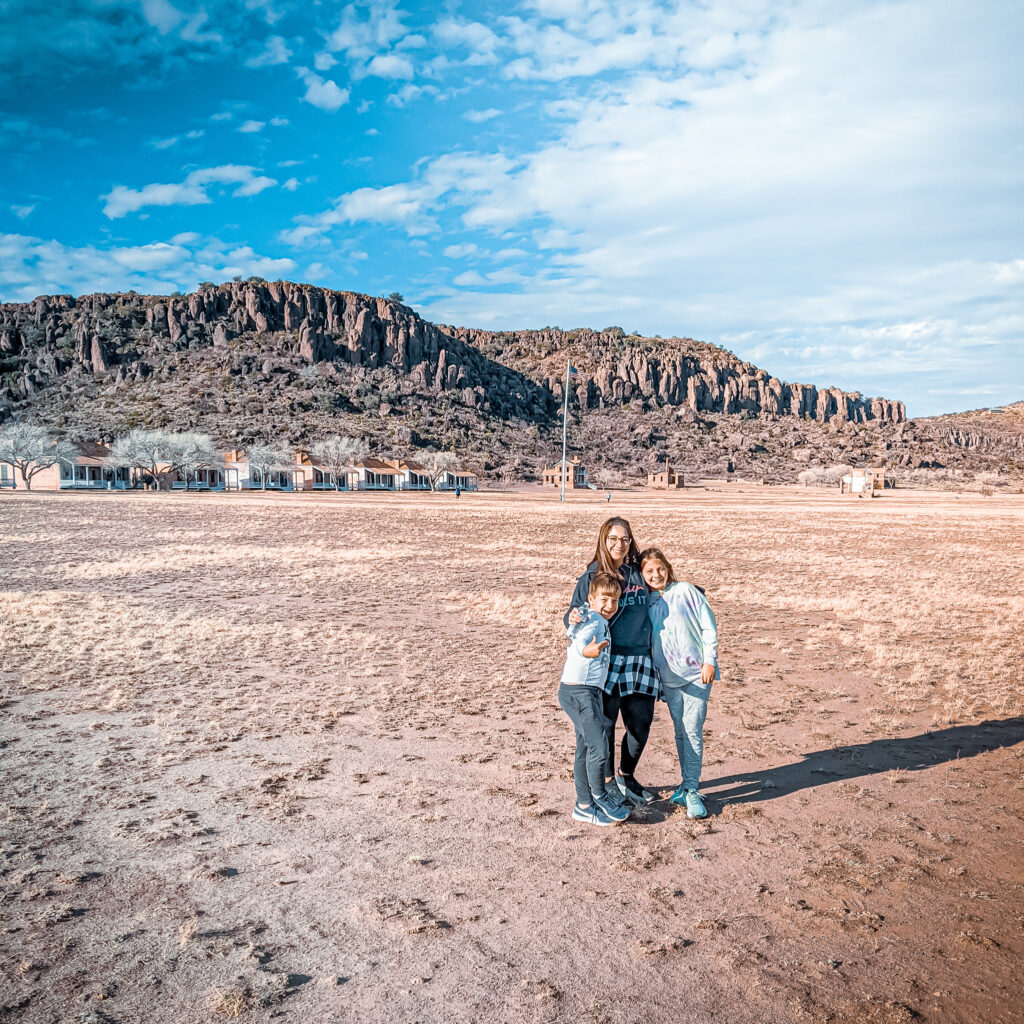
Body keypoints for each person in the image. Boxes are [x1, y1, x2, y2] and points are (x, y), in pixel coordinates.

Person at [565, 517, 659, 805]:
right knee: (604, 726)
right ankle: (605, 784)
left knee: (640, 725)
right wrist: (572, 618)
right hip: (604, 664)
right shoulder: (591, 576)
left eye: (625, 539)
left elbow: (662, 582)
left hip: (640, 660)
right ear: (603, 541)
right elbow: (572, 616)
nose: (620, 544)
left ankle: (626, 776)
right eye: (614, 538)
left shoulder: (637, 573)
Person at [640, 547, 719, 819]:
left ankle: (692, 789)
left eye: (660, 568)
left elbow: (709, 626)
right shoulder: (645, 602)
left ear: (668, 567)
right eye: (649, 571)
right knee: (679, 731)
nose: (656, 574)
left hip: (697, 674)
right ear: (641, 575)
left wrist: (710, 661)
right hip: (668, 679)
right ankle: (686, 786)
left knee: (692, 730)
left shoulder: (686, 591)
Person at [558, 573, 631, 826]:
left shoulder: (592, 616)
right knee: (599, 747)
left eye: (615, 600)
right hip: (580, 692)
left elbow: (574, 627)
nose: (610, 605)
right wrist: (586, 650)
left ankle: (584, 805)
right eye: (605, 599)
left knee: (585, 748)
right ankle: (600, 796)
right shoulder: (595, 620)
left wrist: (576, 618)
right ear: (591, 598)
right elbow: (580, 640)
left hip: (582, 691)